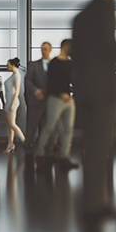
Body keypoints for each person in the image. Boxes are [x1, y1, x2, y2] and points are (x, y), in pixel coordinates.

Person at [72, 0, 116, 219]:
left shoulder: (83, 15)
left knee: (94, 147)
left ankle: (94, 201)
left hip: (88, 90)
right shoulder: (105, 8)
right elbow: (108, 45)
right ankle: (94, 204)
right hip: (102, 90)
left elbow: (79, 56)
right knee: (100, 147)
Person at [34, 38, 79, 171]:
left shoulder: (71, 64)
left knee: (68, 128)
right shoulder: (54, 63)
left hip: (69, 101)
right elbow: (51, 83)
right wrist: (61, 94)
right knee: (50, 127)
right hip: (55, 99)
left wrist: (73, 97)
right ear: (65, 47)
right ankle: (40, 154)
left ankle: (64, 157)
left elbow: (74, 82)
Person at [25, 42, 52, 154]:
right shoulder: (34, 64)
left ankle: (46, 148)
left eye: (45, 49)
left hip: (51, 99)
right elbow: (27, 80)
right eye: (42, 49)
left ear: (50, 50)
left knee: (49, 126)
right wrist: (35, 90)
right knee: (32, 125)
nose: (43, 51)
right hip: (37, 99)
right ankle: (27, 148)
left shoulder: (54, 64)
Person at [3, 58, 26, 153]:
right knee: (9, 125)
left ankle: (25, 142)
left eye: (8, 64)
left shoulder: (17, 75)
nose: (6, 66)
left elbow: (17, 91)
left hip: (12, 102)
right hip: (9, 101)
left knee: (12, 124)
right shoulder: (13, 75)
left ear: (13, 65)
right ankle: (10, 144)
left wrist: (11, 104)